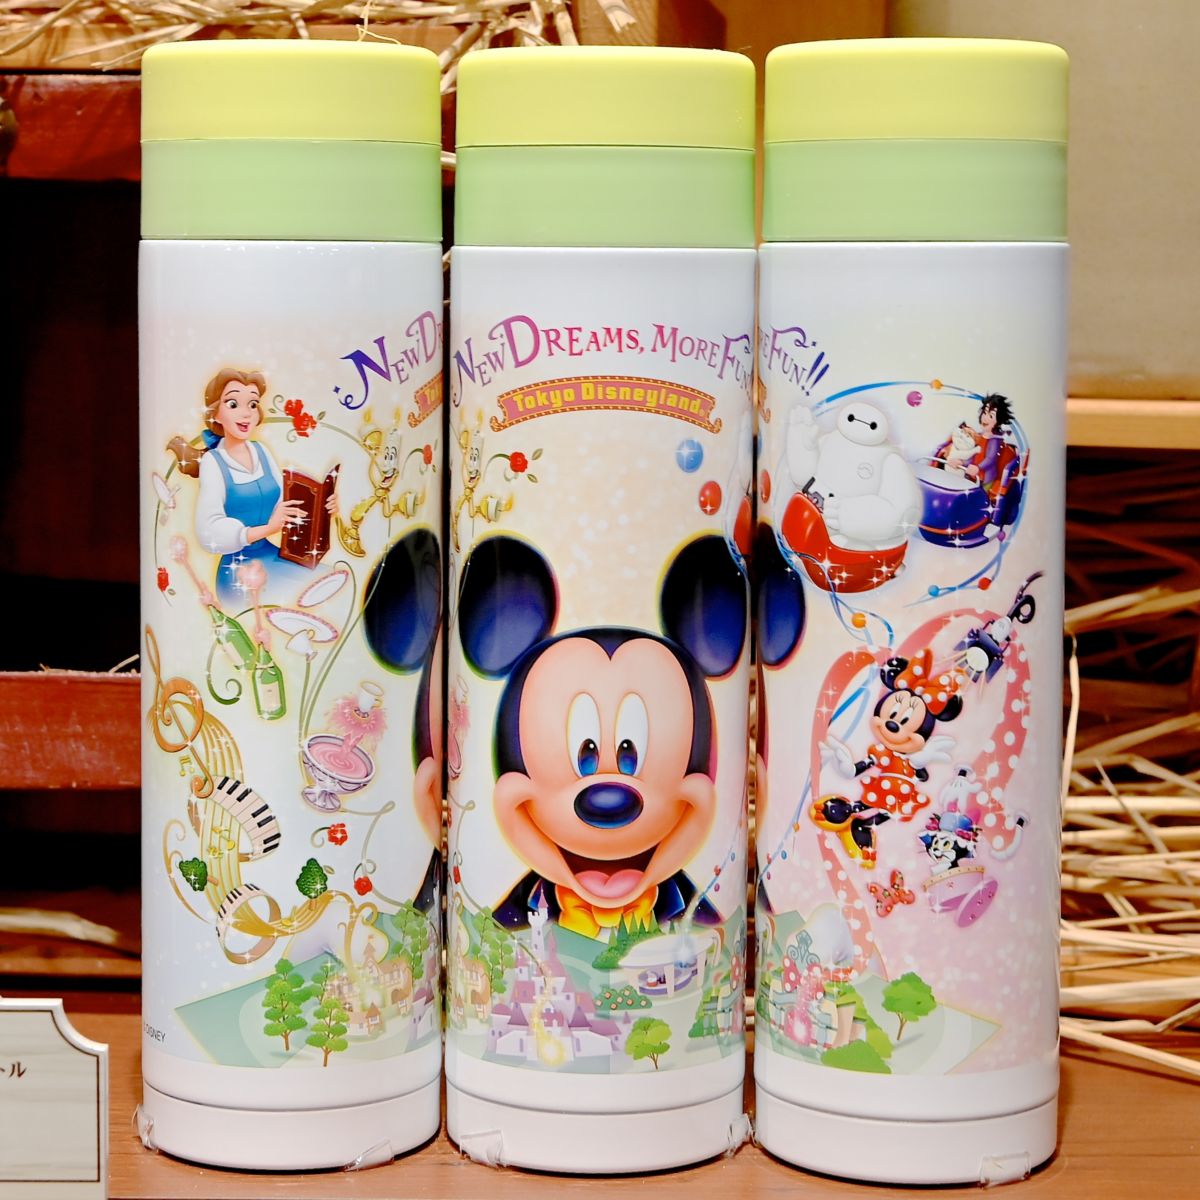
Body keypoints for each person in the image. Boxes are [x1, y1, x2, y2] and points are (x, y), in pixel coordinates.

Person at [172, 368, 332, 605]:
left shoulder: (261, 451)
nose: (246, 413)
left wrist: (322, 506)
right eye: (233, 404)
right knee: (306, 592)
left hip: (270, 555)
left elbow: (283, 504)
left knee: (328, 578)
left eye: (253, 404)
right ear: (216, 414)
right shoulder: (213, 462)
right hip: (239, 573)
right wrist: (268, 528)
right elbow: (208, 531)